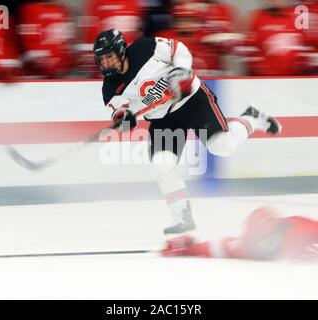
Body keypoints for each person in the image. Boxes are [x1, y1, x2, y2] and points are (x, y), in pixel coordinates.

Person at [93, 29, 282, 235]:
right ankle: (182, 216)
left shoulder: (145, 47)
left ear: (121, 51)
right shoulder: (109, 89)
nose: (106, 63)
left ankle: (252, 117)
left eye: (109, 57)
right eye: (101, 59)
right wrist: (125, 119)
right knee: (162, 164)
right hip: (163, 118)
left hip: (192, 100)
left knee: (222, 146)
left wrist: (181, 70)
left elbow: (178, 50)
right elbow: (120, 113)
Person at [161, 206, 318, 262]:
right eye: (256, 241)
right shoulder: (246, 246)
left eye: (265, 240)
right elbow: (216, 247)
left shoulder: (301, 229)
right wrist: (187, 248)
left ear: (277, 232)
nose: (261, 246)